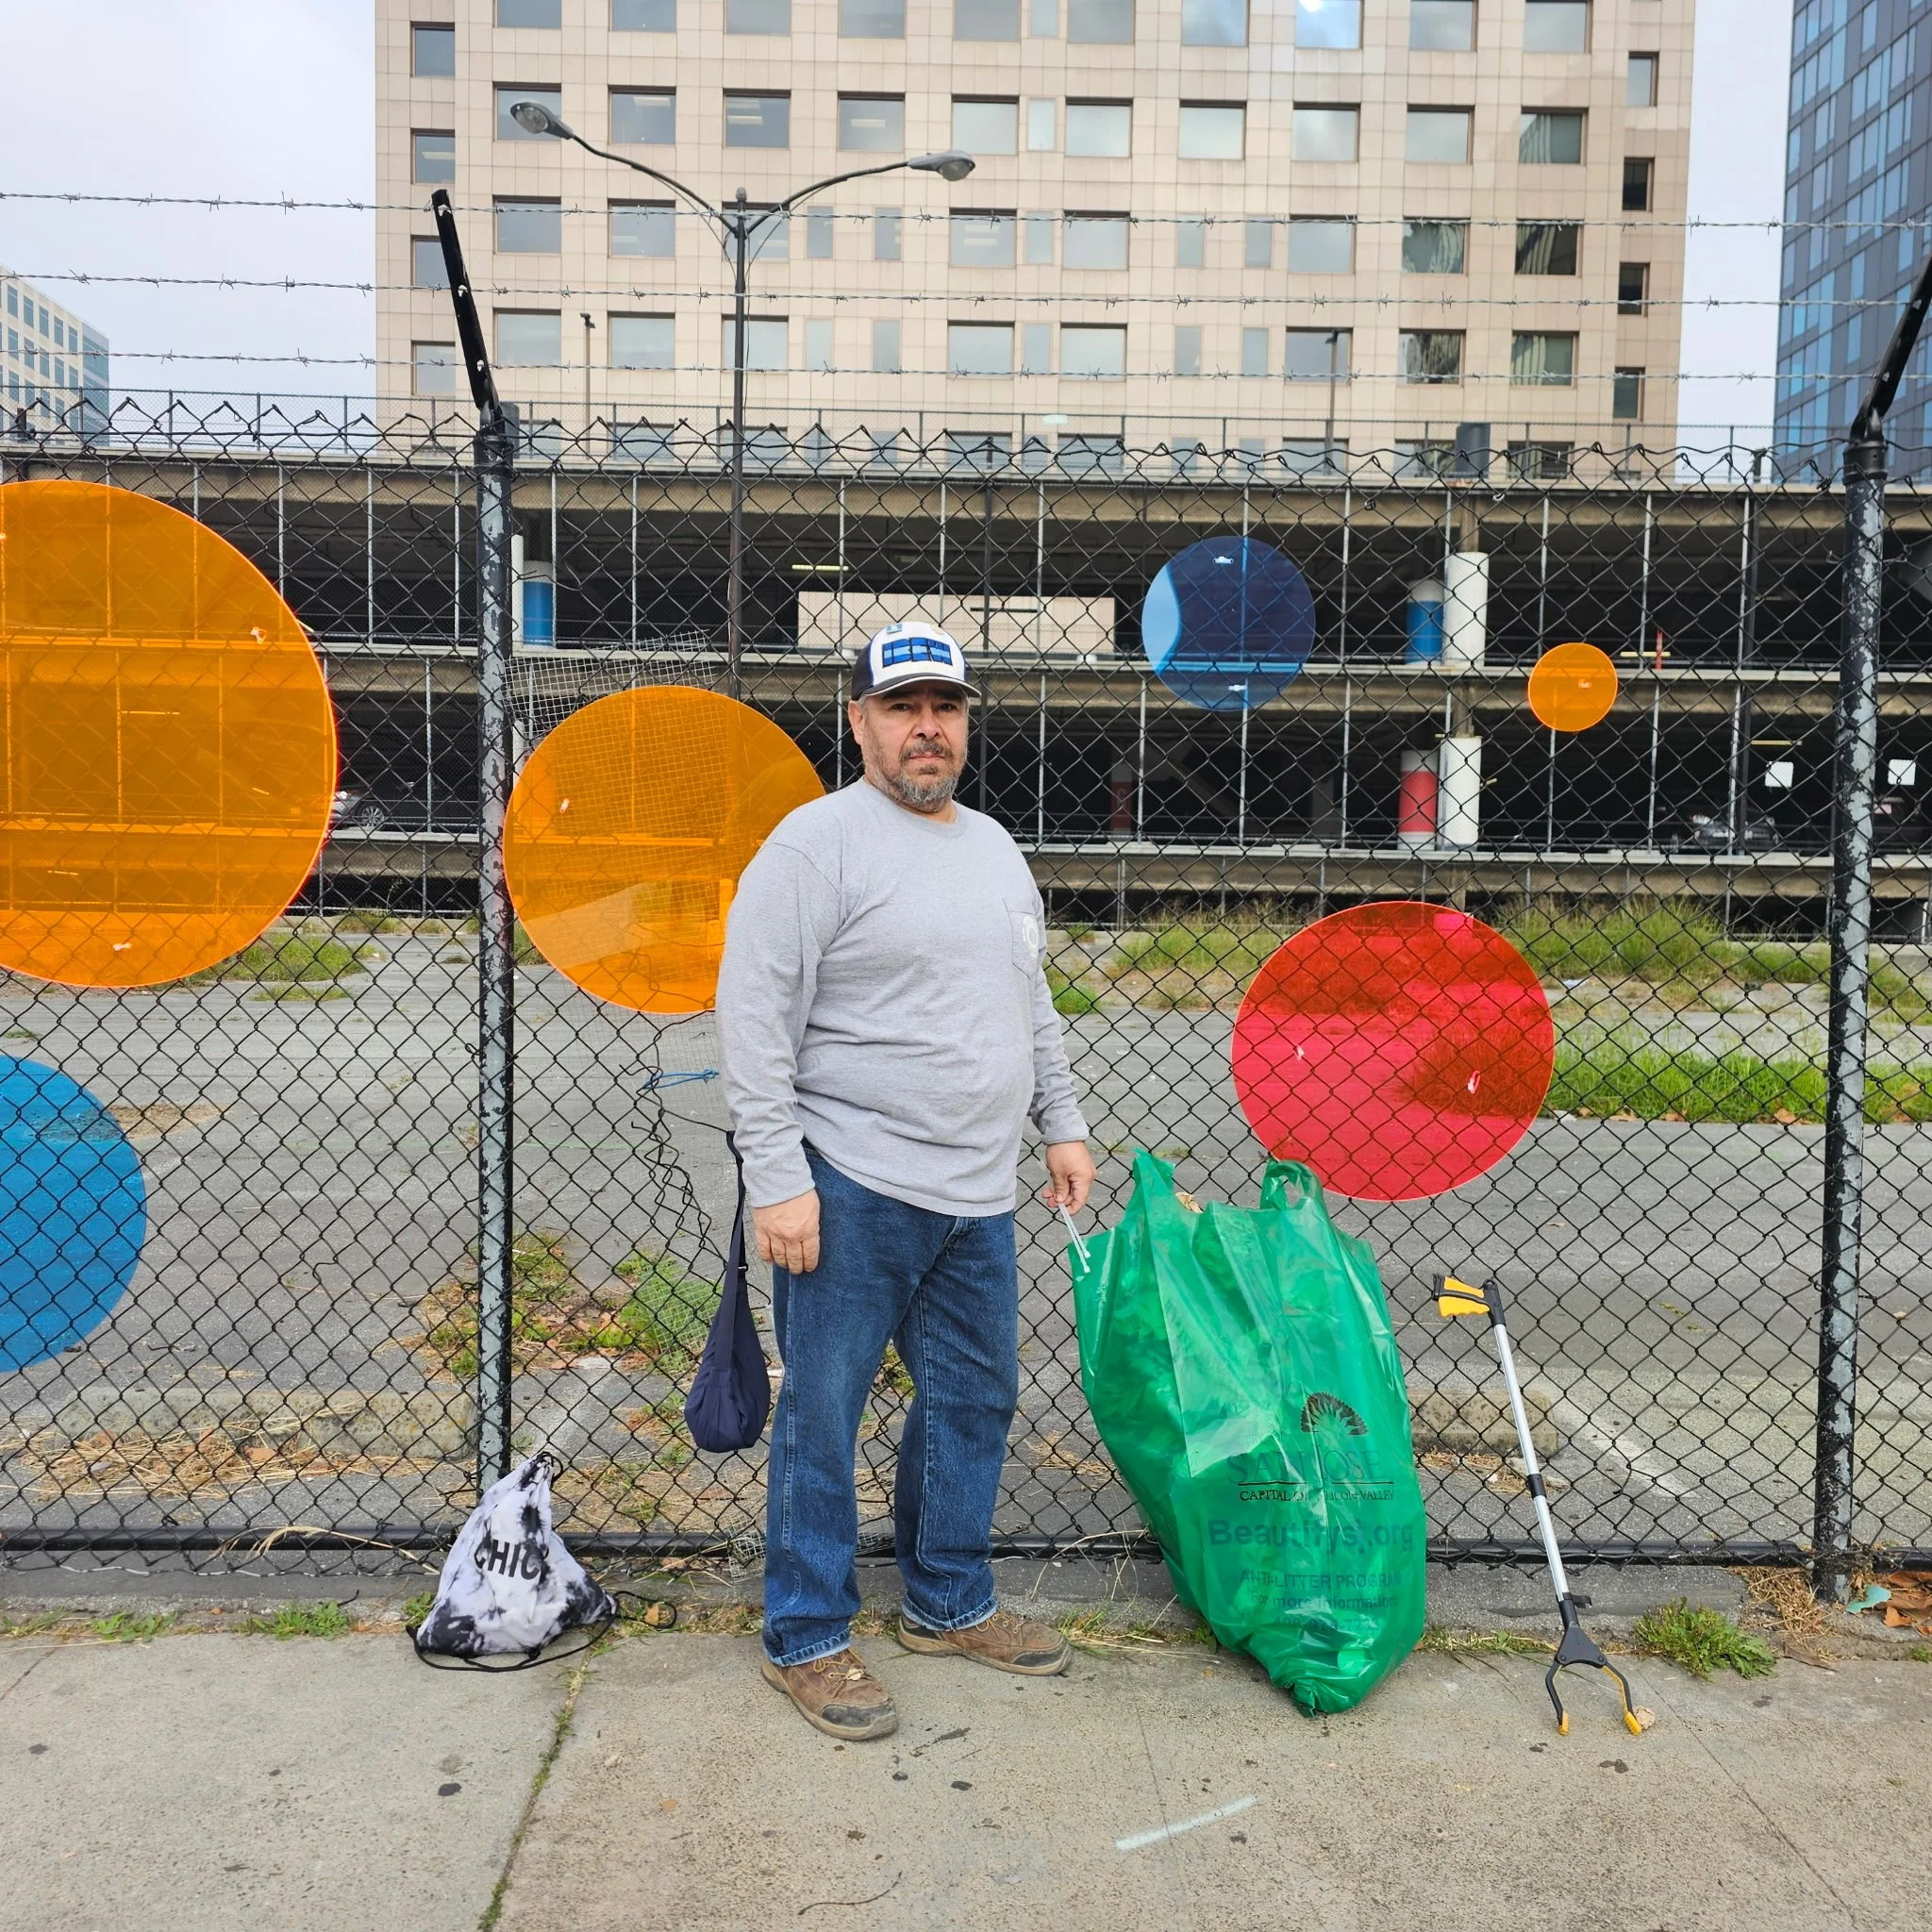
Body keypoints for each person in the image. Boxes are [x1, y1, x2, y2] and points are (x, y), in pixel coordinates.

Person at [716, 620, 1096, 1742]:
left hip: (977, 1192)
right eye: (901, 707)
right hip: (850, 1183)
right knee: (822, 1415)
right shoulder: (812, 845)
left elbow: (1027, 1001)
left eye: (945, 707)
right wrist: (778, 1178)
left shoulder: (991, 845)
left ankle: (946, 1600)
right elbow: (752, 1017)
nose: (926, 727)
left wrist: (1060, 1125)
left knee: (975, 1401)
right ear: (859, 721)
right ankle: (807, 1635)